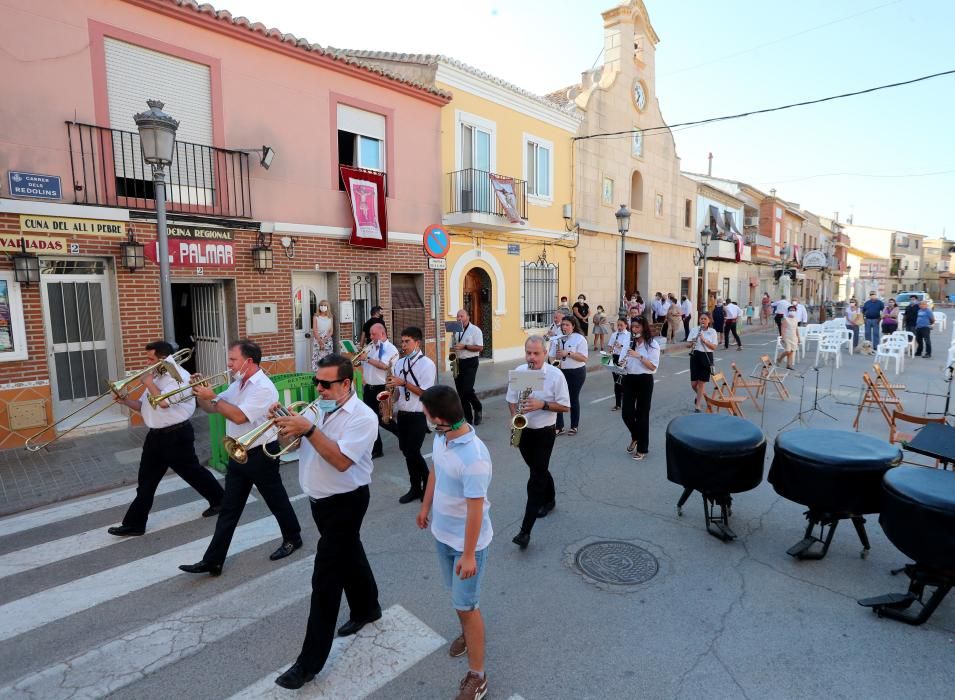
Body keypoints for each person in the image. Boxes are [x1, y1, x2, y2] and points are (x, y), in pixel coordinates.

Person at [271, 355, 382, 691]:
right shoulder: (316, 408)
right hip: (320, 501)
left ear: (347, 384)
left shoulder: (363, 417)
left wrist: (309, 429)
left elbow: (341, 460)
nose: (318, 388)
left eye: (326, 384)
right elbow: (288, 445)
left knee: (325, 580)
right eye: (316, 382)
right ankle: (367, 608)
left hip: (346, 502)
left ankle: (308, 664)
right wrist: (282, 425)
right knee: (351, 553)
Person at [180, 339, 302, 576]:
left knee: (275, 499)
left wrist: (213, 396)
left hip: (260, 454)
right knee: (229, 509)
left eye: (233, 359)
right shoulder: (238, 385)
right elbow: (213, 408)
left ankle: (293, 537)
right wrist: (201, 391)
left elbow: (238, 417)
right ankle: (213, 560)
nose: (229, 364)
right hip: (238, 453)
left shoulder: (264, 388)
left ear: (248, 361)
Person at [416, 385, 492, 700]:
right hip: (443, 536)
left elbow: (476, 510)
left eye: (425, 413)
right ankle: (466, 631)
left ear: (439, 417)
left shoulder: (474, 457)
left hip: (466, 545)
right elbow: (435, 470)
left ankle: (478, 676)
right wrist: (425, 506)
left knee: (467, 605)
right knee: (458, 598)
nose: (424, 418)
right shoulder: (442, 437)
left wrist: (470, 554)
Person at [108, 341, 224, 537]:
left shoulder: (180, 378)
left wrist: (149, 383)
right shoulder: (157, 376)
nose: (146, 363)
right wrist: (125, 401)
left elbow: (163, 403)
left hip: (176, 435)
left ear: (163, 358)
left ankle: (220, 500)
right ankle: (135, 524)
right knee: (146, 481)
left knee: (193, 472)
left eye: (150, 359)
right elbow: (144, 406)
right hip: (155, 437)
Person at [506, 336, 570, 550]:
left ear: (545, 353)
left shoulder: (555, 375)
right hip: (523, 431)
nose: (531, 357)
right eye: (528, 353)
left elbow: (565, 407)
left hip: (545, 433)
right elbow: (512, 399)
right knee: (538, 470)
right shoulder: (521, 371)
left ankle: (525, 531)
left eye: (536, 353)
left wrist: (542, 404)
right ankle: (550, 499)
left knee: (535, 479)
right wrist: (514, 417)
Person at [387, 327, 436, 504]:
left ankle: (429, 484)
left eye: (407, 341)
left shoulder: (427, 364)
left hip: (418, 415)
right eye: (402, 341)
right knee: (407, 452)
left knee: (413, 451)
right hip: (403, 415)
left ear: (418, 343)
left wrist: (403, 383)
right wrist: (389, 401)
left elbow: (425, 393)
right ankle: (415, 487)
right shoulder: (399, 364)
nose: (403, 345)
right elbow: (399, 392)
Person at [620, 317, 659, 461]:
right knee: (626, 414)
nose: (634, 330)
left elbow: (653, 366)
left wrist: (639, 356)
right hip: (629, 378)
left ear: (643, 328)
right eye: (633, 327)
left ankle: (643, 448)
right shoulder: (628, 342)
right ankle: (636, 436)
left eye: (637, 327)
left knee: (642, 415)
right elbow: (622, 360)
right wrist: (620, 364)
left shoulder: (652, 344)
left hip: (644, 380)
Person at [361, 321, 400, 459]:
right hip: (369, 388)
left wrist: (368, 358)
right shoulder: (371, 347)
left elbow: (384, 365)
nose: (370, 336)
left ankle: (403, 436)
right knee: (371, 420)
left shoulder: (390, 349)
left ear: (382, 333)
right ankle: (377, 449)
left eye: (373, 334)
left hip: (381, 387)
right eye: (370, 334)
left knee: (384, 419)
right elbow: (364, 362)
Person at [550, 315, 588, 436]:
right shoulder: (557, 338)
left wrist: (568, 353)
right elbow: (551, 355)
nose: (564, 327)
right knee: (558, 398)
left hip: (576, 372)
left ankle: (574, 426)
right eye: (563, 325)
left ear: (573, 326)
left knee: (572, 398)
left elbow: (584, 358)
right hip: (561, 371)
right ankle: (559, 426)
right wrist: (554, 364)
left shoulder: (580, 339)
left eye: (567, 325)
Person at [453, 309, 485, 426]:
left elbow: (480, 347)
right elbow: (455, 345)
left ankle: (478, 407)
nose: (459, 318)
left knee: (467, 389)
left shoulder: (475, 330)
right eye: (457, 316)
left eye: (461, 316)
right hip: (457, 362)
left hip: (470, 362)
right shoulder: (456, 329)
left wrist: (465, 346)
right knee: (461, 392)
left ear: (468, 317)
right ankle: (468, 418)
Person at [686, 313, 718, 412]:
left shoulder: (712, 332)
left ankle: (698, 405)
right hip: (695, 356)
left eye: (705, 319)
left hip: (706, 356)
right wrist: (692, 342)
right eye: (701, 319)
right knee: (693, 384)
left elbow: (714, 347)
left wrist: (704, 341)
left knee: (701, 383)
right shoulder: (694, 330)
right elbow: (688, 344)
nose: (702, 320)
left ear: (709, 320)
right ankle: (703, 397)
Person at [607, 318, 630, 412]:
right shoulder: (614, 334)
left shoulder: (629, 335)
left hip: (625, 359)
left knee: (624, 381)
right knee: (617, 382)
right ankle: (617, 404)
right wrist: (611, 349)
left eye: (621, 325)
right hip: (615, 358)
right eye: (618, 325)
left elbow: (630, 348)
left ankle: (627, 401)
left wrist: (621, 346)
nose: (619, 327)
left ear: (626, 325)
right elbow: (609, 347)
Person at [311, 299, 334, 370]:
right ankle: (317, 377)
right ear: (319, 307)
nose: (323, 307)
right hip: (317, 340)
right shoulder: (315, 317)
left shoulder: (330, 317)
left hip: (328, 341)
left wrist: (325, 340)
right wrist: (320, 341)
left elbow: (331, 331)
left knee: (328, 359)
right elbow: (315, 330)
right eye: (321, 305)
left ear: (328, 307)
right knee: (317, 359)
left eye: (325, 305)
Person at [776, 305, 800, 370]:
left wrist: (798, 337)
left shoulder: (795, 319)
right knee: (788, 351)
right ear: (788, 311)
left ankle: (789, 365)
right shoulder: (785, 319)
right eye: (791, 310)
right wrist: (783, 338)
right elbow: (782, 329)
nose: (792, 311)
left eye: (793, 310)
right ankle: (779, 359)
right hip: (787, 337)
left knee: (792, 351)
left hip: (794, 337)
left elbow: (796, 329)